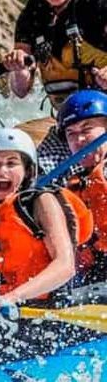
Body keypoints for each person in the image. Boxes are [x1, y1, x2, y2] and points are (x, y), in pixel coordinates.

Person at [0, 127, 95, 369]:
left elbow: (65, 265)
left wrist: (13, 297)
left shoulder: (41, 202)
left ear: (28, 169)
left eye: (12, 163)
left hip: (53, 308)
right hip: (12, 312)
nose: (2, 171)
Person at [3, 0, 107, 181]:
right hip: (69, 126)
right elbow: (21, 90)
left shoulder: (97, 1)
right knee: (32, 180)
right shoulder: (32, 14)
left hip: (102, 121)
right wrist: (18, 68)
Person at [58, 90, 107, 283]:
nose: (79, 141)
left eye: (87, 129)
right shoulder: (72, 184)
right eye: (71, 134)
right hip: (94, 274)